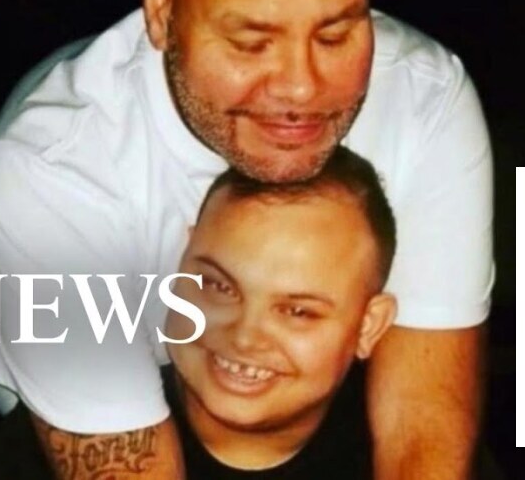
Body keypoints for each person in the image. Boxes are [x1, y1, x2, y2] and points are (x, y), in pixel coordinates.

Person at [0, 0, 493, 478]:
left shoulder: (424, 99)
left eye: (335, 34)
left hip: (319, 413)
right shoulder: (55, 166)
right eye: (251, 42)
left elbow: (421, 426)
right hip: (76, 420)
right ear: (161, 7)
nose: (301, 88)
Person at [162, 146, 398, 478]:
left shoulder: (413, 455)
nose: (244, 338)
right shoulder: (96, 415)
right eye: (219, 287)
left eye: (297, 311)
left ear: (368, 326)